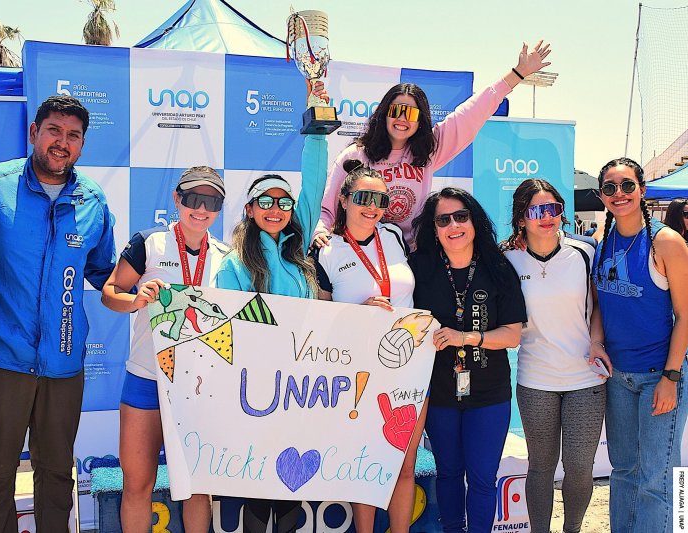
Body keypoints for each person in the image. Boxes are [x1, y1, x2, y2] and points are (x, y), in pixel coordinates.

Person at [0, 95, 117, 533]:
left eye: (73, 136)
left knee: (56, 476)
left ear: (83, 144)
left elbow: (104, 272)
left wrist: (151, 283)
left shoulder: (93, 199)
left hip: (64, 364)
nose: (62, 142)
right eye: (54, 130)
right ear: (34, 133)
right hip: (1, 360)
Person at [214, 84, 328, 533]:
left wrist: (316, 129)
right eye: (267, 201)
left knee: (291, 492)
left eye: (284, 201)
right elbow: (229, 323)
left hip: (301, 385)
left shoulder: (297, 256)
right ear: (250, 209)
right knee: (260, 487)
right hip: (257, 388)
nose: (277, 208)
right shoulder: (235, 263)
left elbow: (315, 183)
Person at [315, 41, 552, 247]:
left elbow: (471, 112)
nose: (402, 119)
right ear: (384, 113)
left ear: (421, 121)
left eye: (412, 113)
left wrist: (517, 74)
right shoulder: (356, 156)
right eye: (396, 110)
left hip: (408, 253)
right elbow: (328, 207)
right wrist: (321, 232)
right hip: (360, 248)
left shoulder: (429, 151)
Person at [101, 167, 227, 533]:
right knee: (138, 484)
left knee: (197, 489)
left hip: (200, 388)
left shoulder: (226, 255)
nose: (201, 209)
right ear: (177, 199)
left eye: (212, 202)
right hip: (147, 378)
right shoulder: (149, 243)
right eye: (193, 199)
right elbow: (111, 292)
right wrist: (135, 300)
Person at [311, 160, 423, 533]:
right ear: (344, 200)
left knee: (404, 464)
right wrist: (356, 314)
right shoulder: (326, 249)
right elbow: (318, 320)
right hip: (357, 369)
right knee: (367, 463)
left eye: (380, 198)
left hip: (408, 365)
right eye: (362, 197)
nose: (371, 205)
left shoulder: (392, 235)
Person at [408, 188, 526, 533]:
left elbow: (513, 335)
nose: (453, 225)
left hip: (489, 393)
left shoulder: (498, 267)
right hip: (439, 391)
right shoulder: (419, 269)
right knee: (447, 472)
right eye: (443, 220)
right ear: (433, 228)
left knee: (482, 478)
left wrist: (469, 337)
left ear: (473, 220)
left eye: (461, 216)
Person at [501, 179, 605, 533]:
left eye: (553, 209)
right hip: (535, 380)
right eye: (536, 210)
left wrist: (597, 342)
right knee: (541, 466)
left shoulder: (585, 250)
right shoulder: (506, 258)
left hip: (585, 378)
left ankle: (572, 528)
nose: (546, 217)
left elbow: (599, 308)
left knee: (578, 467)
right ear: (521, 217)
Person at [591, 157, 688, 533]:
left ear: (642, 190)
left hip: (658, 376)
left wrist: (671, 376)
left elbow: (685, 315)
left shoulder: (666, 242)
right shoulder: (604, 241)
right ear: (602, 196)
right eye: (611, 188)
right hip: (618, 376)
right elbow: (600, 302)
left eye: (627, 185)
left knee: (658, 477)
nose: (620, 194)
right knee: (624, 472)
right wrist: (597, 341)